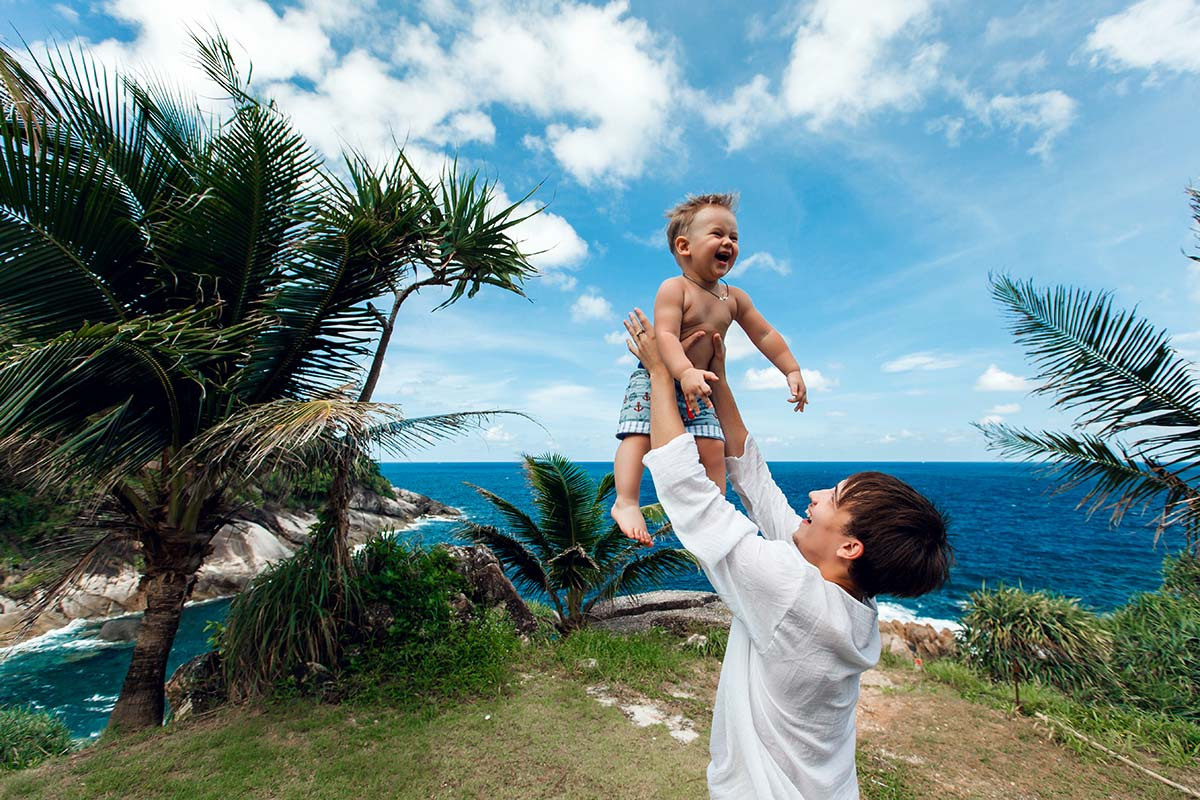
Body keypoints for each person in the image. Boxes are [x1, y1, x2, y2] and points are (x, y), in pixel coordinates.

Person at [623, 308, 952, 799]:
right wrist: (722, 381)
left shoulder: (792, 594)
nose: (816, 495)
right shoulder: (850, 596)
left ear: (849, 545)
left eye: (833, 499)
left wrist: (658, 373)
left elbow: (690, 492)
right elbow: (755, 482)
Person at [611, 193, 808, 544]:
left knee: (712, 446)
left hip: (701, 384)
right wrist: (684, 371)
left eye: (734, 237)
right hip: (660, 376)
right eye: (718, 234)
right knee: (638, 437)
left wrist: (791, 370)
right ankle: (626, 502)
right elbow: (667, 336)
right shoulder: (674, 289)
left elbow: (764, 333)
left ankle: (714, 511)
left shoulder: (734, 297)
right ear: (684, 246)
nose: (728, 243)